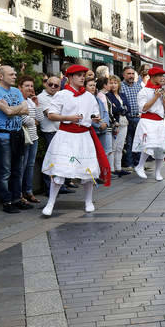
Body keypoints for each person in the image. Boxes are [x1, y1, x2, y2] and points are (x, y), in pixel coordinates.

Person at [41, 65, 111, 216]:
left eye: (83, 75)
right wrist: (68, 118)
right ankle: (50, 203)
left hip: (84, 136)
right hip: (65, 135)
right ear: (70, 77)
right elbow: (51, 115)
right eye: (78, 75)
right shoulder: (62, 94)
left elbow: (93, 115)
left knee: (87, 171)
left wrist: (95, 119)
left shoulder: (89, 96)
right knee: (59, 170)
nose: (82, 77)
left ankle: (88, 201)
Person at [0, 65, 31, 213]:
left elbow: (26, 109)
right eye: (11, 74)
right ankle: (7, 202)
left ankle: (17, 199)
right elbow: (7, 111)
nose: (14, 76)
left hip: (17, 133)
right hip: (3, 135)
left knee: (18, 170)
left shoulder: (16, 91)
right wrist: (16, 109)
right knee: (5, 171)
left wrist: (13, 110)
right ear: (1, 76)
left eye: (14, 74)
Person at [132, 68, 165, 181]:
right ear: (152, 77)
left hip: (160, 122)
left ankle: (158, 172)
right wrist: (155, 97)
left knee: (160, 147)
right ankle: (140, 166)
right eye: (159, 76)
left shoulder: (162, 90)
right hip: (147, 121)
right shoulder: (143, 91)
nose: (162, 78)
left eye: (163, 76)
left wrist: (163, 97)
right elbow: (143, 108)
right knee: (149, 144)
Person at [18, 75, 40, 204]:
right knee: (22, 166)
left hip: (34, 137)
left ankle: (29, 191)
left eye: (31, 86)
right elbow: (22, 118)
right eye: (26, 86)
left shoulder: (31, 101)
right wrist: (33, 121)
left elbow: (40, 119)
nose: (30, 88)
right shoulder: (19, 99)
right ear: (20, 87)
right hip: (25, 138)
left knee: (30, 166)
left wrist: (37, 104)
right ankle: (19, 193)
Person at [106, 75, 131, 176]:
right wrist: (121, 109)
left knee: (120, 146)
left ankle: (119, 168)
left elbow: (128, 108)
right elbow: (113, 109)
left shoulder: (123, 95)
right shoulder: (107, 96)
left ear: (119, 84)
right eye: (111, 83)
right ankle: (112, 169)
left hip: (124, 122)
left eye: (115, 83)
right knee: (113, 146)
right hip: (114, 123)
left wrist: (120, 109)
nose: (113, 85)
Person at [87, 77, 112, 179]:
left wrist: (105, 123)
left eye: (94, 85)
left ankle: (101, 174)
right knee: (93, 154)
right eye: (90, 85)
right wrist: (98, 125)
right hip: (93, 130)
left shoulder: (97, 98)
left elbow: (105, 112)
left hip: (103, 129)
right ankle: (93, 175)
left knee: (103, 153)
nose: (93, 87)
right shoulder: (85, 99)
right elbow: (87, 116)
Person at [120, 66, 143, 170]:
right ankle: (129, 164)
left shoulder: (138, 86)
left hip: (138, 118)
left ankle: (138, 163)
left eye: (132, 74)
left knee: (138, 141)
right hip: (127, 118)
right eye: (128, 74)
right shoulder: (120, 86)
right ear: (124, 75)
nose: (131, 76)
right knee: (128, 142)